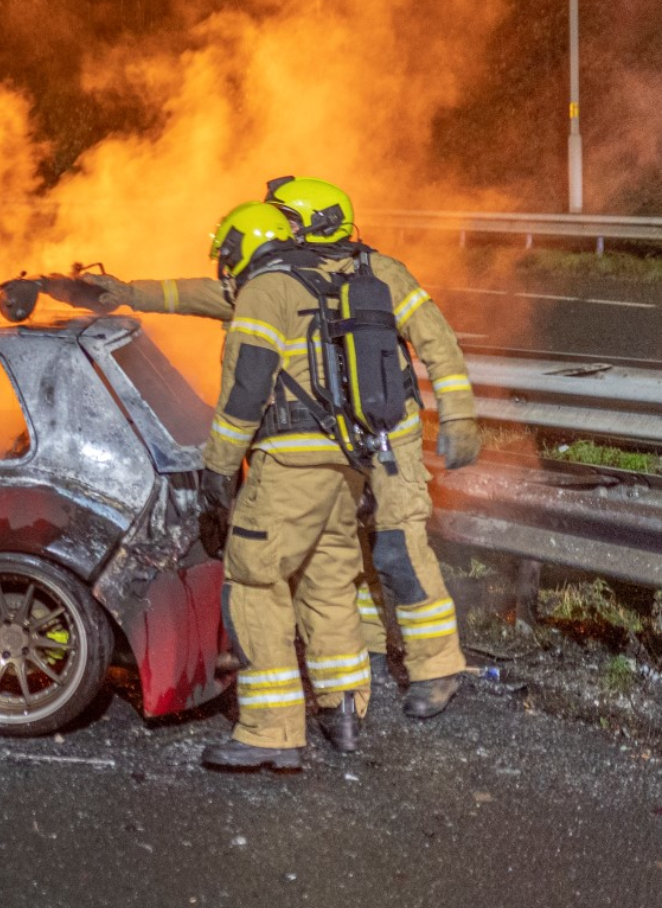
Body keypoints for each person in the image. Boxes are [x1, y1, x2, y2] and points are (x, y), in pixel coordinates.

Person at [70, 177, 478, 720]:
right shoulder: (284, 281)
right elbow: (211, 295)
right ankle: (367, 656)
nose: (278, 227)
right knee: (339, 555)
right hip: (331, 444)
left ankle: (436, 667)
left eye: (285, 217)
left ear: (313, 222)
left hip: (388, 439)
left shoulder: (382, 274)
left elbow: (437, 341)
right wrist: (130, 294)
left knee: (398, 551)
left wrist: (459, 415)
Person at [196, 201, 372, 772]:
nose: (227, 267)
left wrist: (219, 465)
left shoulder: (263, 292)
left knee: (254, 581)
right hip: (344, 464)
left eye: (228, 253)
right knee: (326, 585)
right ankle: (345, 711)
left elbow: (247, 388)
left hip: (288, 464)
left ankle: (271, 733)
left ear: (249, 243)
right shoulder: (326, 280)